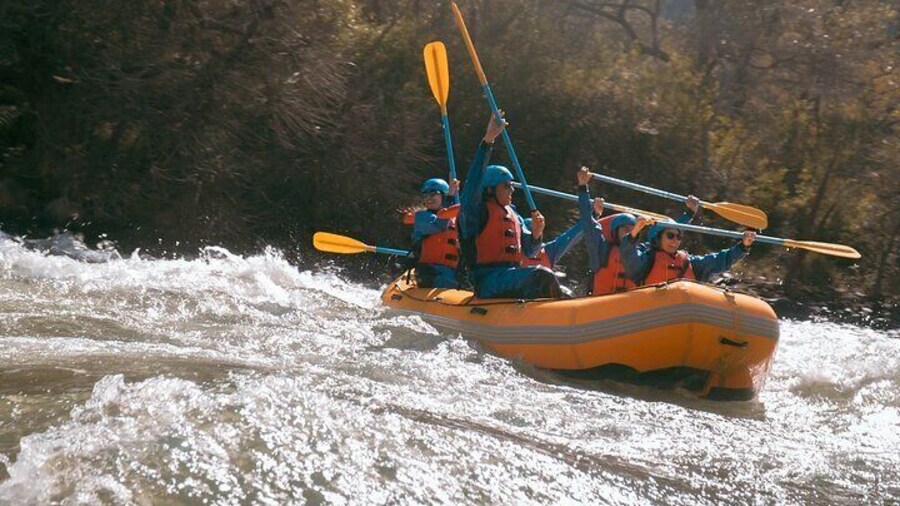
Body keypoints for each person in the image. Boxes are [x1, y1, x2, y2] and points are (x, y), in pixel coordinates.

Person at [458, 113, 562, 299]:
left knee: (558, 287)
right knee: (541, 276)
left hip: (510, 277)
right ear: (490, 189)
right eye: (506, 185)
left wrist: (536, 234)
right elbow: (472, 184)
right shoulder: (476, 212)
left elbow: (530, 251)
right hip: (487, 281)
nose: (512, 190)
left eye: (512, 185)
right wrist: (488, 141)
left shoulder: (514, 215)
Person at [622, 214, 758, 285]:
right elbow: (630, 258)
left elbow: (718, 260)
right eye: (670, 236)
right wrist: (634, 233)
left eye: (679, 236)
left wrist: (742, 246)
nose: (675, 240)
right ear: (657, 238)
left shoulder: (688, 261)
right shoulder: (647, 260)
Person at [576, 168, 637, 295]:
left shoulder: (639, 253)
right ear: (615, 231)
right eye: (625, 229)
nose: (628, 233)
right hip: (603, 303)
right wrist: (583, 187)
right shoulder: (601, 248)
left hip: (630, 303)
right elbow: (587, 220)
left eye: (632, 230)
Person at [411, 177, 461, 288]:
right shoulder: (421, 217)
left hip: (452, 273)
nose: (428, 198)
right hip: (430, 272)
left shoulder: (455, 220)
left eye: (433, 194)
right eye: (425, 195)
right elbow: (439, 226)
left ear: (443, 196)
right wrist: (450, 197)